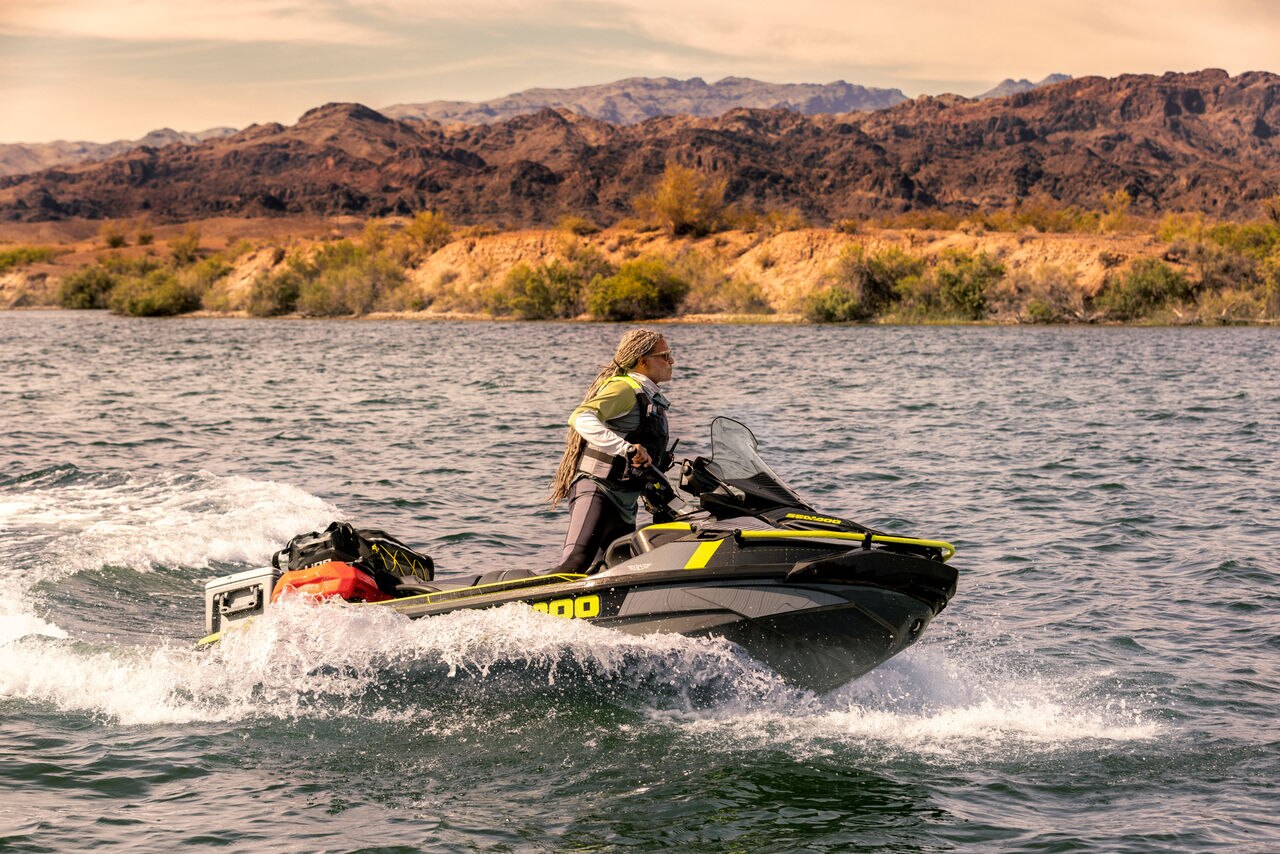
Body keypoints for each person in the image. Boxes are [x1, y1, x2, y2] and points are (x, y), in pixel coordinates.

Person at [549, 329, 676, 572]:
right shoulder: (625, 388)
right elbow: (580, 417)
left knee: (612, 571)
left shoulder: (650, 397)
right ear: (643, 361)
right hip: (598, 490)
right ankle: (511, 607)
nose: (672, 361)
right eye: (665, 355)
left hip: (624, 502)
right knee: (574, 564)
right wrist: (626, 449)